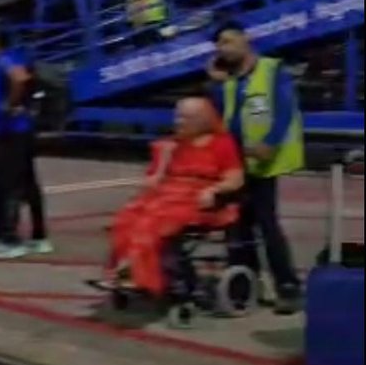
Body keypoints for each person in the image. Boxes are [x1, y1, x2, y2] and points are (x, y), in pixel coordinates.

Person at [97, 97, 243, 299]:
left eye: (186, 118)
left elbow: (235, 179)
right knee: (126, 219)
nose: (178, 122)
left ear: (203, 120)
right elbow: (154, 178)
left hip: (198, 199)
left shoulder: (222, 143)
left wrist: (214, 190)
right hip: (166, 194)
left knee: (152, 221)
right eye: (178, 116)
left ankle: (138, 275)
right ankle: (123, 271)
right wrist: (160, 166)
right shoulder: (170, 145)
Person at [207, 21, 305, 310]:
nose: (223, 49)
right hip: (234, 162)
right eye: (219, 45)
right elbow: (220, 115)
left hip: (263, 162)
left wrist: (270, 143)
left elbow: (285, 111)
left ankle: (288, 287)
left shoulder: (272, 70)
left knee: (267, 224)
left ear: (245, 38)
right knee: (236, 225)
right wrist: (215, 83)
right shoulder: (227, 80)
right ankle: (244, 284)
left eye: (228, 41)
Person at [0, 28, 52, 258]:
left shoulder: (5, 60)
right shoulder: (4, 59)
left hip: (11, 132)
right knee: (28, 183)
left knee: (10, 183)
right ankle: (39, 236)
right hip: (18, 130)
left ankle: (10, 238)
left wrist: (10, 104)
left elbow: (19, 79)